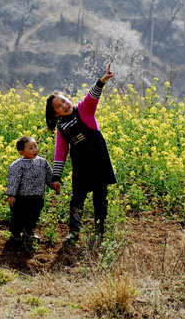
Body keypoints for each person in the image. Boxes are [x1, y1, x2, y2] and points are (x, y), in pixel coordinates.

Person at [45, 63, 116, 247]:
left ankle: (99, 230)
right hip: (81, 167)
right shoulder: (62, 128)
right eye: (59, 106)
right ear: (56, 112)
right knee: (77, 199)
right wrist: (56, 177)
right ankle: (74, 232)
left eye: (64, 101)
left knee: (100, 198)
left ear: (69, 99)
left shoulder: (84, 110)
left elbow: (92, 96)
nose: (64, 105)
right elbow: (61, 153)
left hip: (99, 163)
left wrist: (102, 81)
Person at [6, 135, 54, 242]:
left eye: (36, 147)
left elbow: (49, 175)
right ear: (21, 152)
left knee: (34, 215)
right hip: (21, 197)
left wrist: (53, 184)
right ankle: (15, 234)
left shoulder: (42, 162)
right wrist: (11, 195)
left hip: (37, 196)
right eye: (31, 148)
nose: (35, 150)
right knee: (18, 216)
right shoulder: (17, 165)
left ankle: (29, 232)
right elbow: (13, 180)